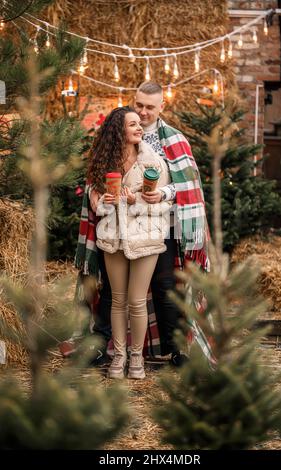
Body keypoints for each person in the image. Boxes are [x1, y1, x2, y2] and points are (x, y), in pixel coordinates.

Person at [75, 81, 211, 367]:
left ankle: (175, 350)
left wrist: (162, 193)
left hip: (156, 226)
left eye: (150, 107)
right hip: (116, 228)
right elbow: (95, 183)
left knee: (164, 285)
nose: (144, 112)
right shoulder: (112, 137)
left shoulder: (172, 141)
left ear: (162, 106)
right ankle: (101, 346)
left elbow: (186, 186)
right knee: (112, 290)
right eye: (139, 105)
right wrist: (106, 201)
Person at [87, 106, 171, 379]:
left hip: (146, 236)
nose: (139, 128)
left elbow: (164, 203)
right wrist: (107, 203)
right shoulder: (103, 163)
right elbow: (96, 204)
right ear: (118, 130)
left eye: (139, 124)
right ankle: (118, 356)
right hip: (113, 237)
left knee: (137, 301)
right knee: (117, 300)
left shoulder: (152, 162)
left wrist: (138, 201)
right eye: (132, 124)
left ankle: (136, 357)